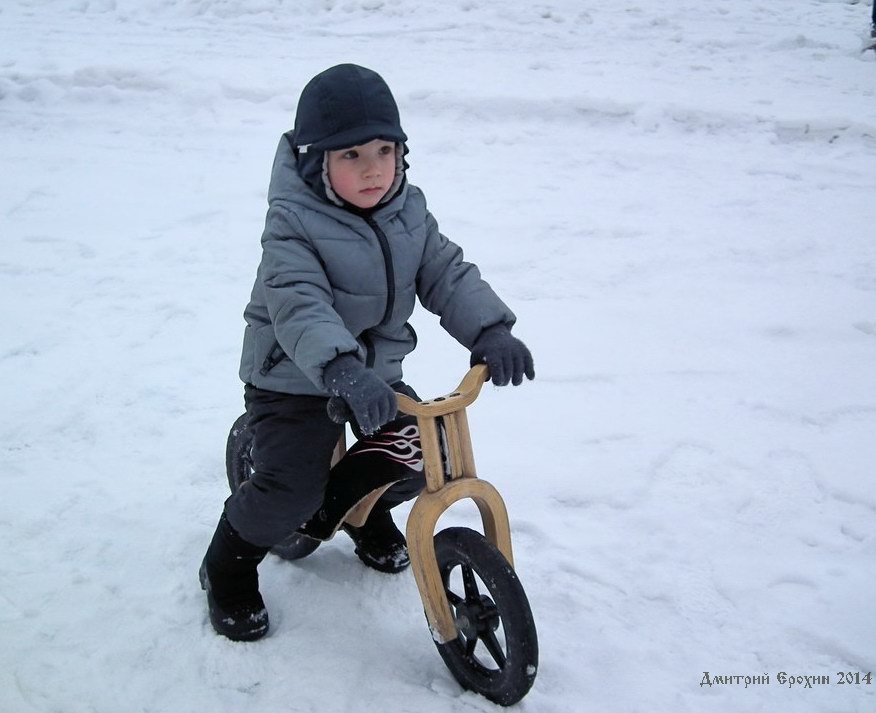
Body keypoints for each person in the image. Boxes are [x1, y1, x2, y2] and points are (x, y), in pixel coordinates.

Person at [199, 64, 535, 642]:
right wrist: (340, 366)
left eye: (386, 149)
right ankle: (227, 563)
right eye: (351, 155)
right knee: (291, 490)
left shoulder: (408, 211)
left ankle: (364, 511)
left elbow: (446, 273)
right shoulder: (292, 223)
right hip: (296, 377)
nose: (375, 167)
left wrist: (490, 330)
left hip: (372, 376)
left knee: (421, 450)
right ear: (315, 160)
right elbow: (299, 303)